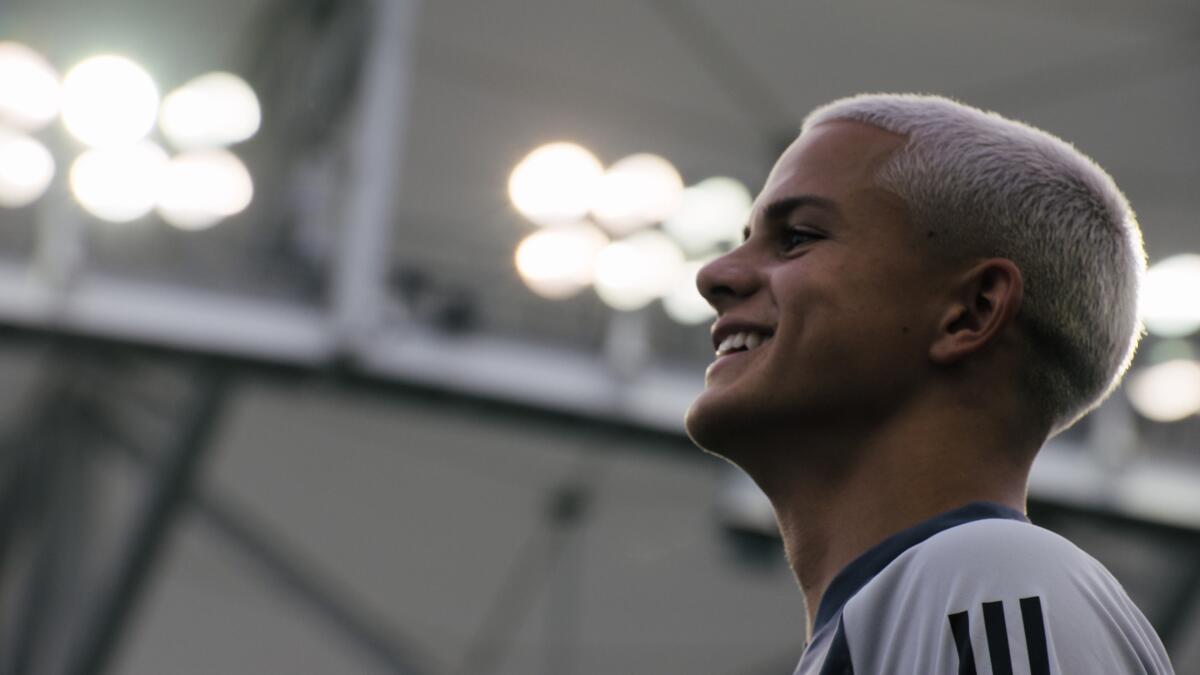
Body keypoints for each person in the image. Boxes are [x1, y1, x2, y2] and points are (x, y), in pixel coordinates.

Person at [685, 93, 1175, 674]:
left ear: (972, 311)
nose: (714, 274)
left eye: (797, 236)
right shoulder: (952, 598)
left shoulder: (993, 577)